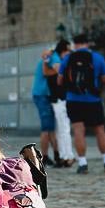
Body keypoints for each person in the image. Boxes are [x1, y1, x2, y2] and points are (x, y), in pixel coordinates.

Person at [57, 33, 105, 174]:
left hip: (73, 100)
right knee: (100, 130)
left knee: (78, 130)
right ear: (87, 43)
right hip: (93, 100)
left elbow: (59, 81)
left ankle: (83, 163)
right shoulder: (97, 57)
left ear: (75, 44)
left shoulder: (68, 58)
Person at [45, 39, 75, 167]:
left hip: (56, 98)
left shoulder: (53, 57)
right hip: (60, 98)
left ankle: (64, 155)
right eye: (68, 51)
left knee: (60, 129)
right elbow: (58, 73)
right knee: (64, 129)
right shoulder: (57, 59)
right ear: (64, 50)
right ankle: (68, 156)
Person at [32, 48, 59, 166]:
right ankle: (45, 157)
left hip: (44, 95)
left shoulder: (51, 57)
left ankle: (55, 155)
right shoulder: (52, 57)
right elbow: (47, 71)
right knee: (46, 128)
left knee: (50, 128)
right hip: (42, 95)